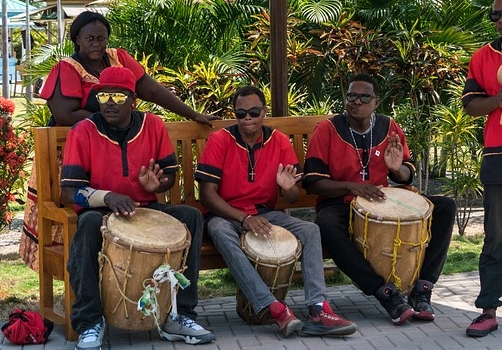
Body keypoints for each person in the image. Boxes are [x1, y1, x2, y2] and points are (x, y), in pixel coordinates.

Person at [19, 10, 216, 271]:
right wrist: (114, 118)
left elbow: (151, 88)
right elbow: (65, 114)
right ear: (77, 38)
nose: (96, 44)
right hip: (77, 148)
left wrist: (191, 113)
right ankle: (85, 286)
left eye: (102, 38)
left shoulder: (119, 59)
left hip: (121, 145)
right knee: (79, 217)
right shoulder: (67, 68)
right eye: (90, 38)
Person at [61, 66, 214, 349]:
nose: (109, 103)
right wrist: (106, 197)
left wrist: (157, 185)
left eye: (118, 98)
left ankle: (180, 315)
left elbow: (169, 174)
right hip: (102, 213)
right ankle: (90, 321)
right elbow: (70, 191)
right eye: (103, 96)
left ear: (133, 101)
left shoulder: (152, 125)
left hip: (146, 208)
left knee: (190, 217)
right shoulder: (83, 131)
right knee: (87, 225)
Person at [194, 86, 357, 337]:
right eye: (241, 113)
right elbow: (207, 195)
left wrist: (288, 188)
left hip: (264, 213)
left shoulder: (279, 141)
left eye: (254, 111)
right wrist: (244, 219)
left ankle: (318, 308)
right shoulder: (220, 140)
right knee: (217, 229)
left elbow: (291, 198)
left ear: (264, 111)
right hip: (226, 214)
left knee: (310, 229)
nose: (247, 117)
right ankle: (274, 308)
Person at [303, 73, 455, 326]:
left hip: (383, 199)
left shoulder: (388, 126)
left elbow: (407, 174)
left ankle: (423, 288)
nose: (357, 102)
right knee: (325, 224)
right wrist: (353, 187)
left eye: (364, 97)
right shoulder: (327, 130)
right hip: (341, 202)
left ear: (376, 101)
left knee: (444, 207)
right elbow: (313, 181)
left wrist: (396, 168)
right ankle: (386, 294)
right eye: (352, 96)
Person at [461, 1, 502, 337]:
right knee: (496, 237)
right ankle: (488, 310)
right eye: (495, 14)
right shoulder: (482, 57)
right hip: (497, 157)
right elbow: (472, 105)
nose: (499, 20)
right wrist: (499, 99)